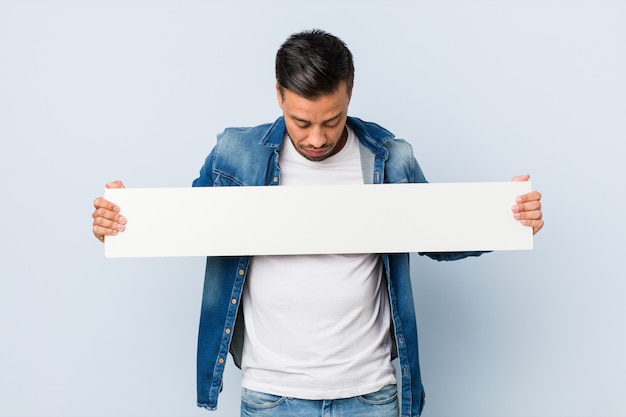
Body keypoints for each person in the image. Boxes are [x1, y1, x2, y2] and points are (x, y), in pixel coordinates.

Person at [92, 29, 544, 417]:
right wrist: (123, 221)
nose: (317, 138)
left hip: (371, 393)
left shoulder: (389, 157)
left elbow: (437, 235)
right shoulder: (235, 154)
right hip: (271, 394)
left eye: (332, 120)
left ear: (350, 92)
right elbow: (189, 224)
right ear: (278, 95)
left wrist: (504, 217)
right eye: (301, 121)